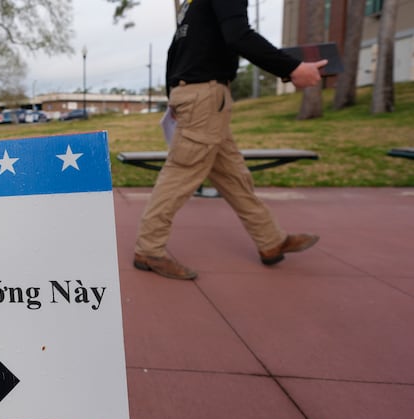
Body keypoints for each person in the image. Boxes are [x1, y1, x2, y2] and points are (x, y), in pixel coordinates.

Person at [133, 0, 327, 280]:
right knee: (180, 173)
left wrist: (174, 91)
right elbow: (239, 35)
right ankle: (148, 249)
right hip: (205, 97)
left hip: (199, 95)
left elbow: (176, 49)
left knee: (234, 176)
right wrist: (292, 68)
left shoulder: (192, 4)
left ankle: (270, 240)